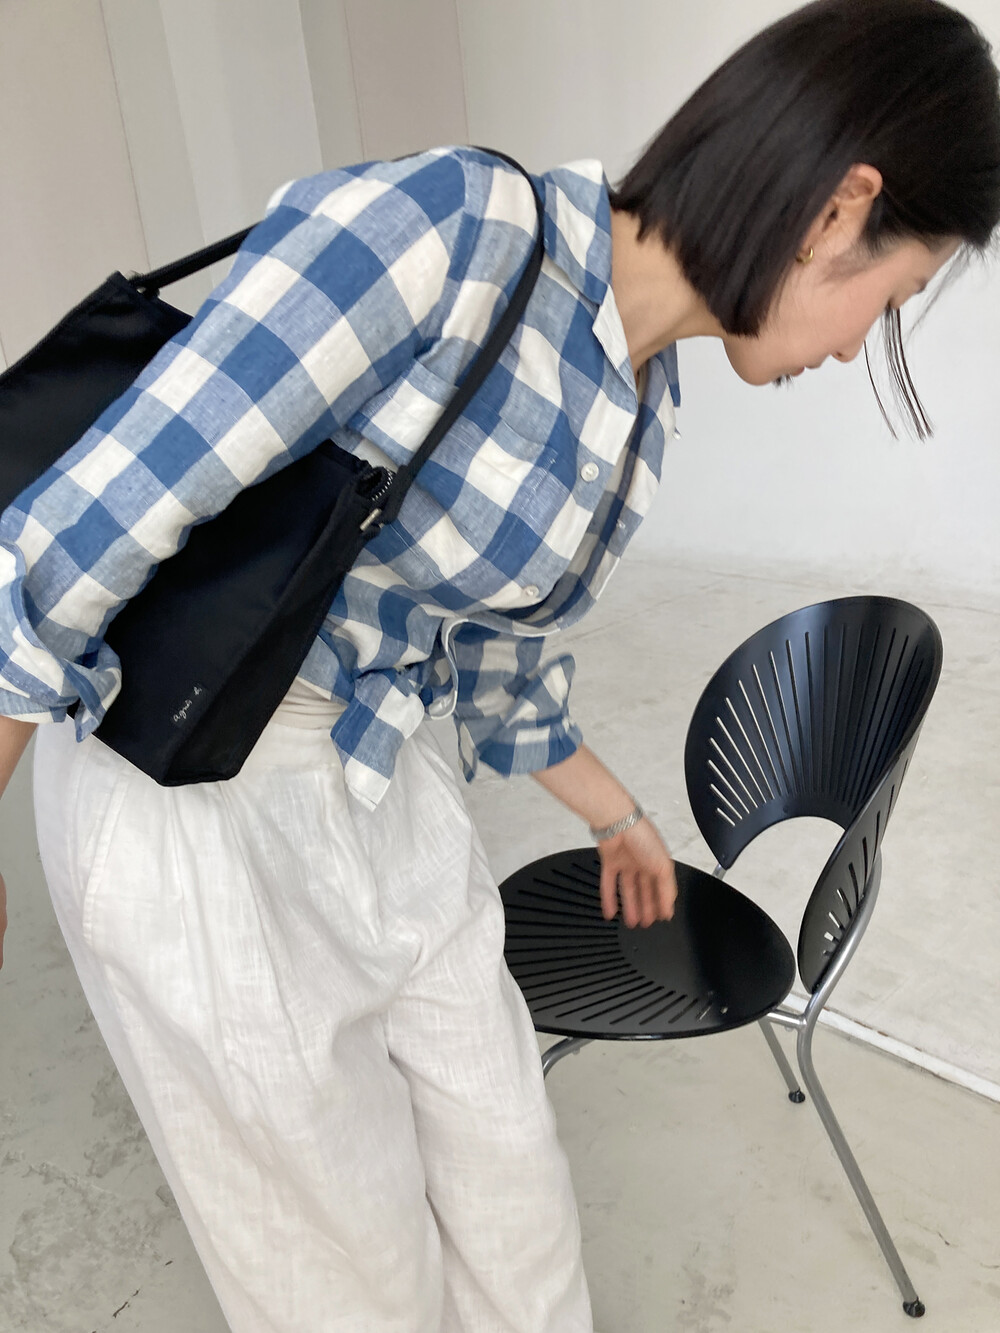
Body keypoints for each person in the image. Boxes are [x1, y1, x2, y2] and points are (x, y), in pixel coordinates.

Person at [1, 0, 998, 1328]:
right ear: (836, 211)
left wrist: (617, 814)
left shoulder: (644, 405)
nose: (859, 346)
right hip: (195, 801)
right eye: (896, 298)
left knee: (514, 1198)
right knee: (346, 1282)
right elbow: (81, 524)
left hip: (380, 775)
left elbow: (487, 649)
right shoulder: (448, 232)